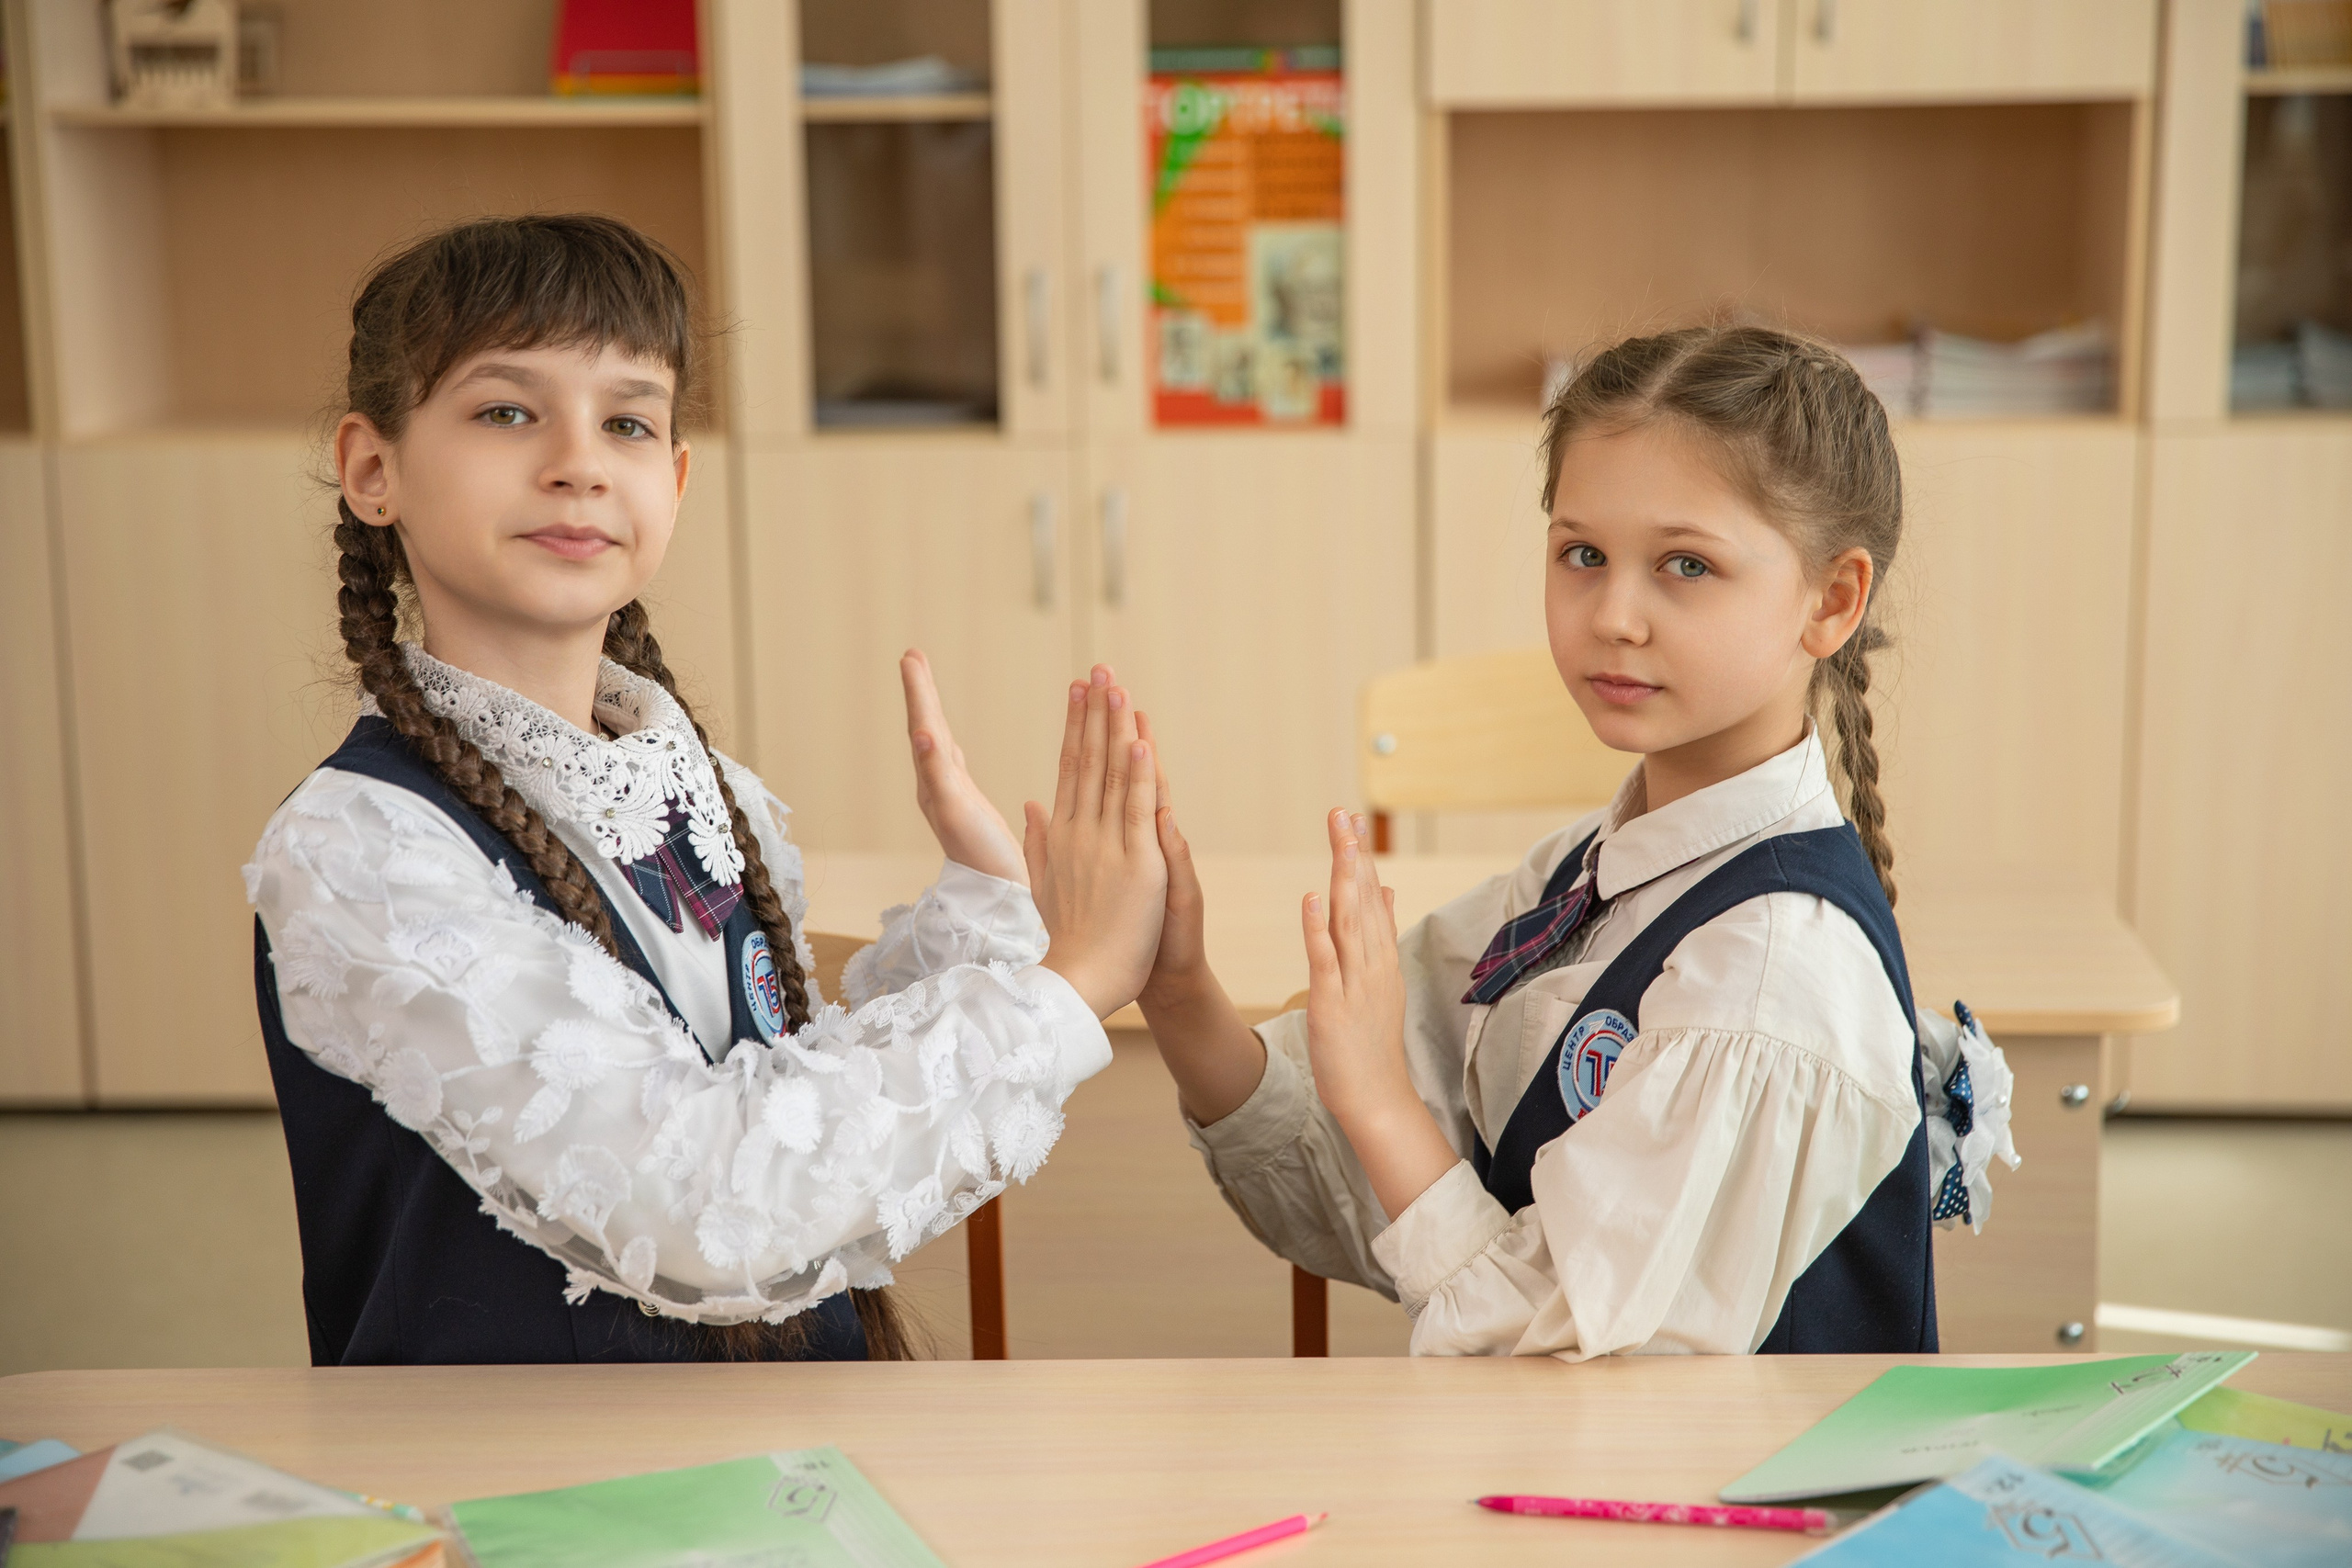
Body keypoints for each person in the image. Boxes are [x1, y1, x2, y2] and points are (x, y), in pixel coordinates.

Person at [246, 214, 1168, 1364]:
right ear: (372, 468)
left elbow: (793, 1104)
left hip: (763, 1464)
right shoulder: (361, 848)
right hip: (516, 1492)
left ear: (673, 483)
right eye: (505, 411)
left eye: (626, 421)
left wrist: (988, 906)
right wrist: (1071, 986)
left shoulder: (699, 788)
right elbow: (708, 1204)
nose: (578, 460)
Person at [1136, 324, 2010, 1359]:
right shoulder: (1584, 872)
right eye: (1581, 555)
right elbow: (1366, 1181)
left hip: (1734, 1509)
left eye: (1685, 564)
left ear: (1831, 600)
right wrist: (1177, 983)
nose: (1614, 616)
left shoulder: (1765, 983)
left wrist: (1377, 1102)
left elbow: (1573, 1376)